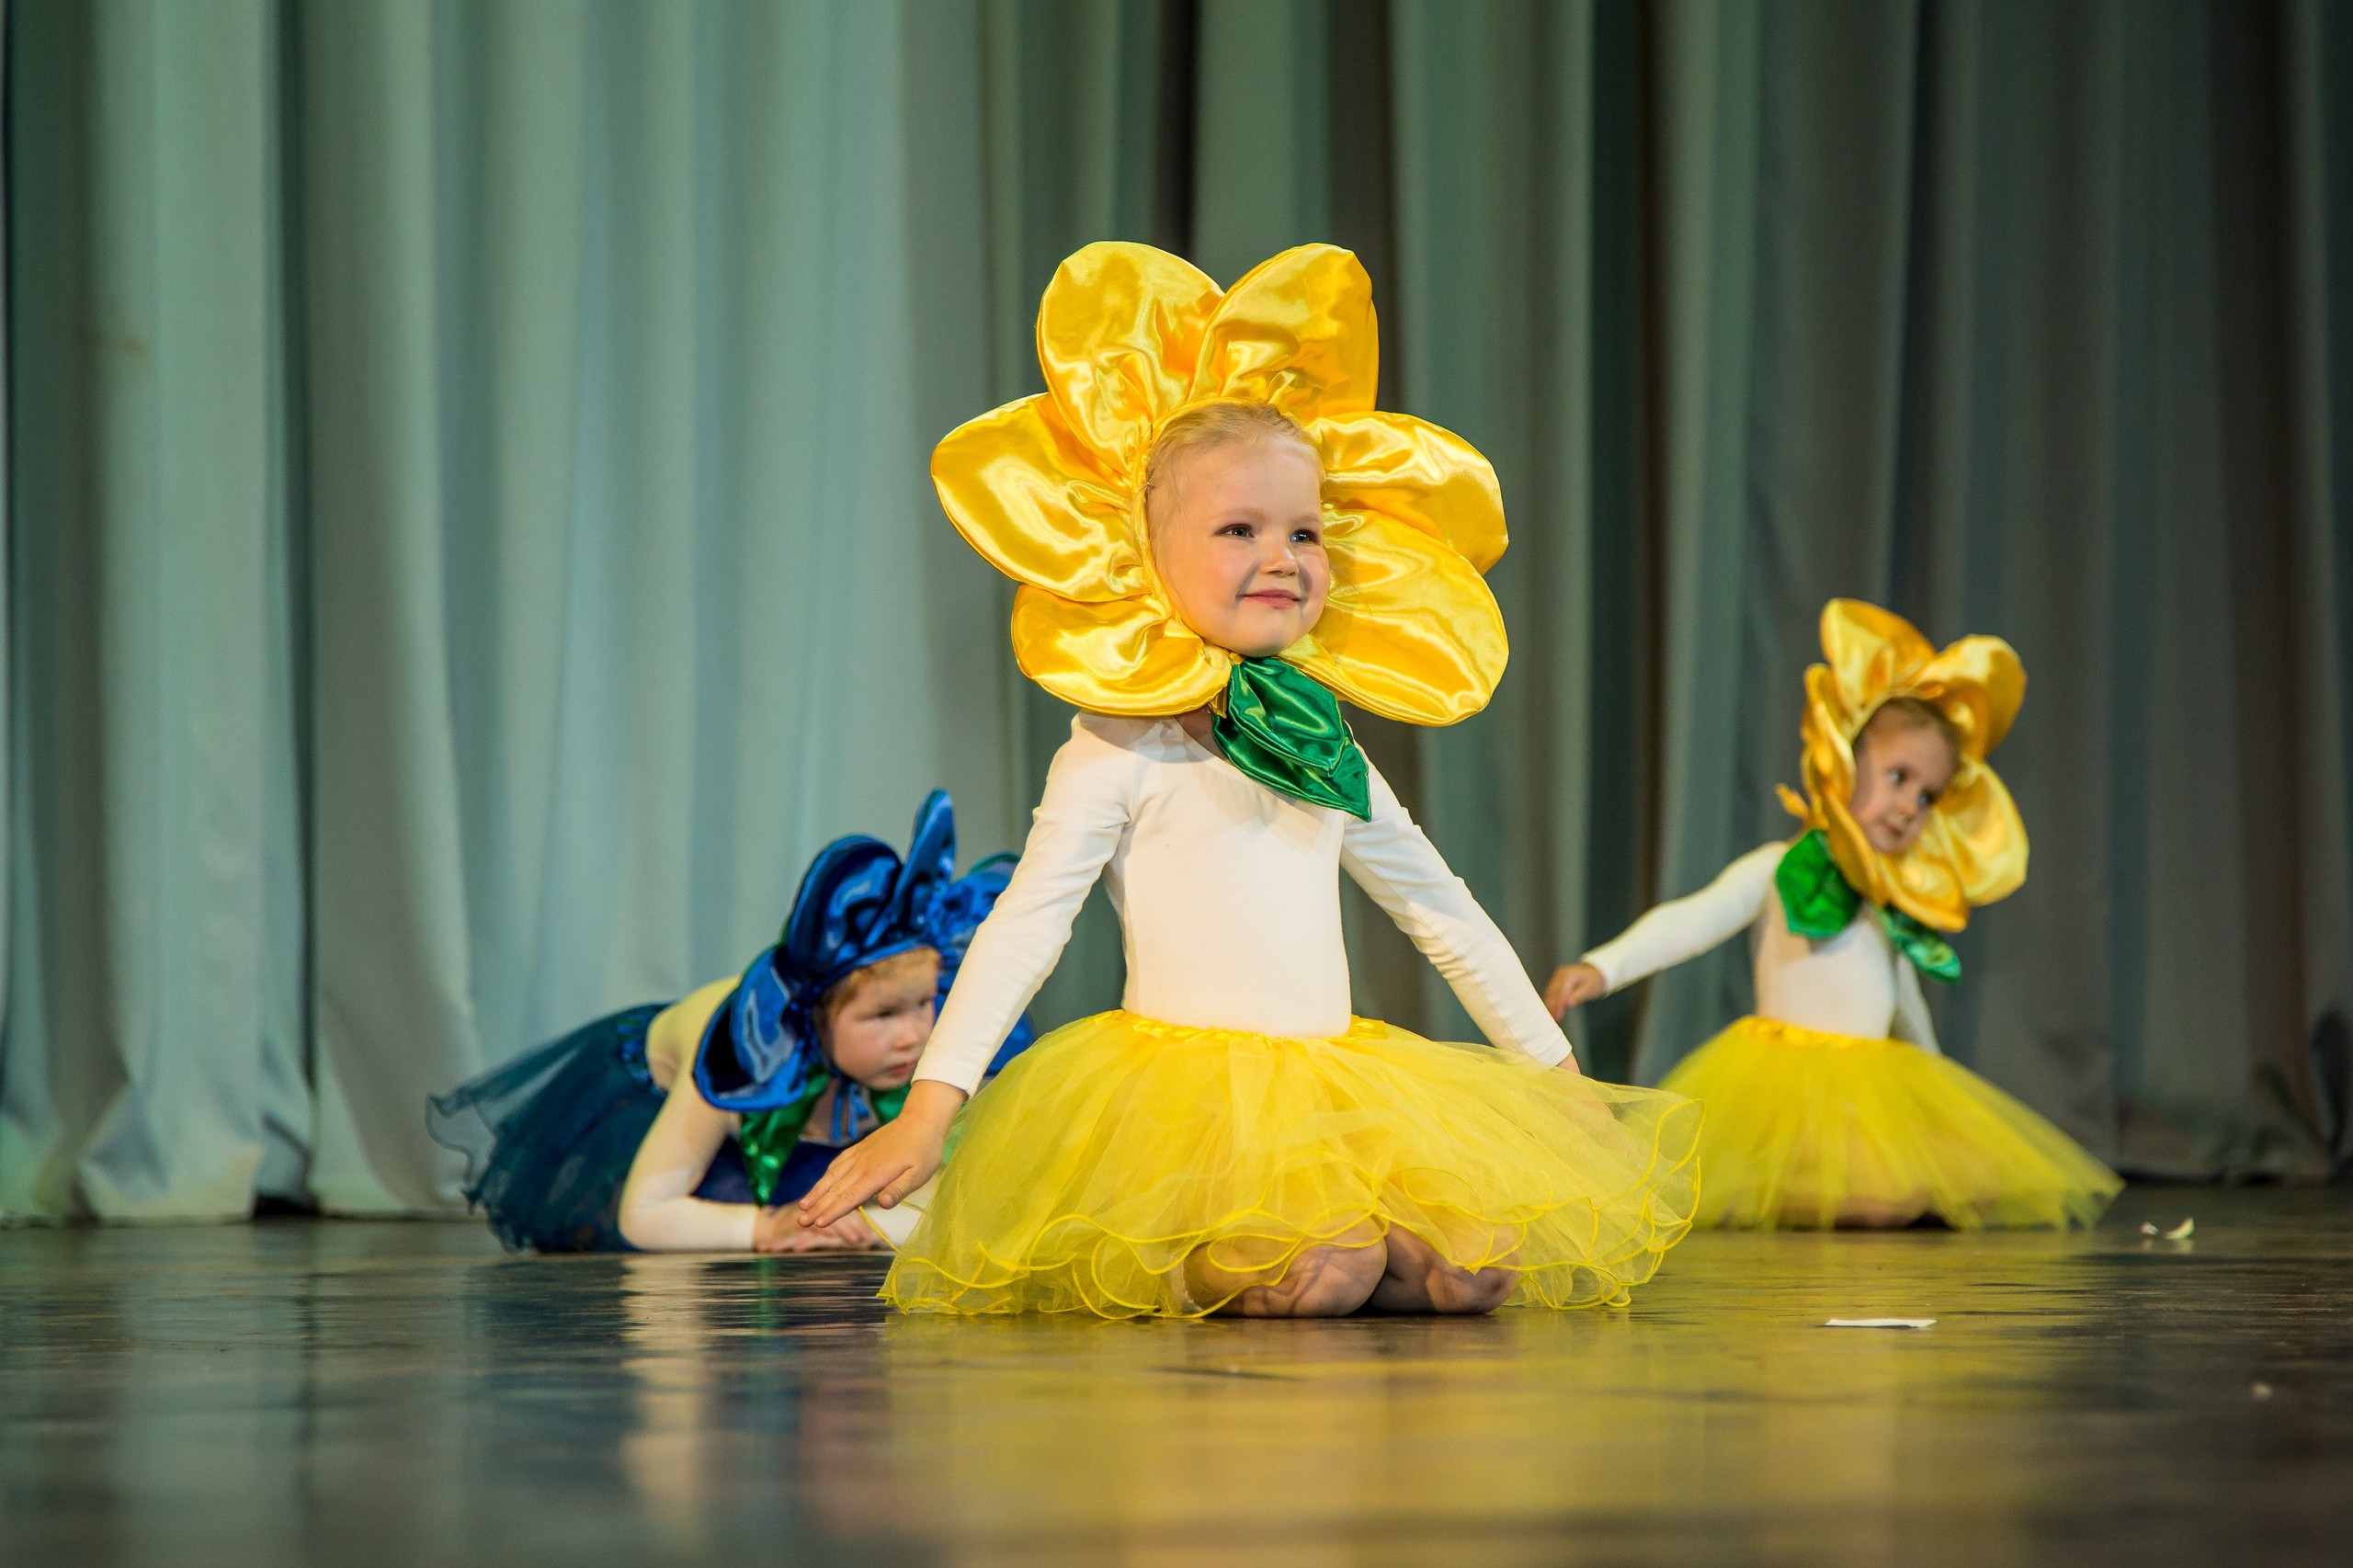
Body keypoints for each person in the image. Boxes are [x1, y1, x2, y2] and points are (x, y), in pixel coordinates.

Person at [796, 242, 1699, 1317]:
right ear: (1144, 551)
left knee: (1478, 1265)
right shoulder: (1119, 748)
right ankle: (1194, 1259)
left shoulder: (1322, 747)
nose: (1283, 556)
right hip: (1183, 1108)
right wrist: (931, 1109)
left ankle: (1361, 1249)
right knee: (1327, 1268)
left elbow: (1439, 909)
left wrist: (1557, 1083)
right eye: (1239, 529)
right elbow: (1025, 926)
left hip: (1336, 1085)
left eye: (1304, 531)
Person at [1545, 598, 2120, 1230]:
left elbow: (1902, 998)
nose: (1909, 806)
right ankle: (1761, 1185)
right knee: (1880, 1201)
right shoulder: (1775, 867)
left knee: (1977, 1181)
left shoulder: (1887, 898)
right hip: (1788, 1085)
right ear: (1843, 761)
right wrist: (1602, 968)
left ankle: (1805, 1187)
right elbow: (1694, 919)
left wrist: (1940, 1094)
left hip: (1870, 1084)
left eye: (1927, 795)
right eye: (1897, 776)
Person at [427, 790, 1030, 1252]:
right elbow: (645, 1214)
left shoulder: (902, 1043)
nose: (914, 1034)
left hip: (823, 1083)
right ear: (817, 1013)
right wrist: (764, 1226)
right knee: (696, 1206)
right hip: (654, 1091)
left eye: (924, 1004)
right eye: (882, 1015)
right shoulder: (743, 1055)